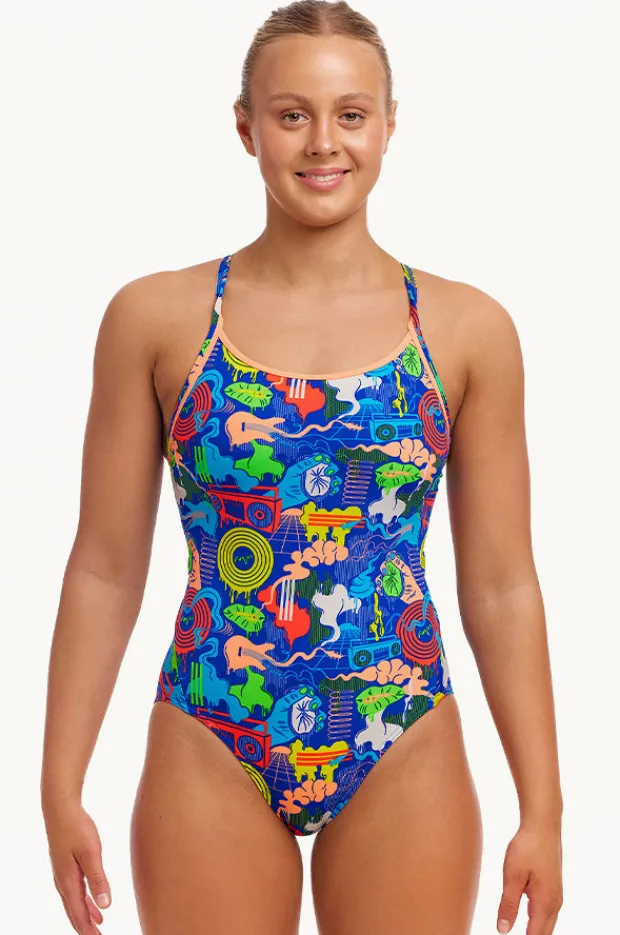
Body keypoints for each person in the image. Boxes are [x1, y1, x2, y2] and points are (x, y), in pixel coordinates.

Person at [40, 2, 564, 934]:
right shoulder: (158, 321)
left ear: (390, 125)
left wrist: (545, 807)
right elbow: (104, 567)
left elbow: (502, 584)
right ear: (246, 127)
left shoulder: (463, 331)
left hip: (400, 725)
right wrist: (58, 782)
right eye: (292, 114)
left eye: (351, 114)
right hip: (212, 726)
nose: (324, 142)